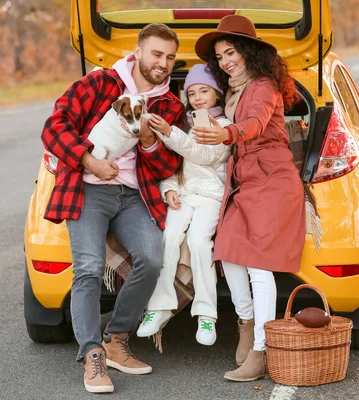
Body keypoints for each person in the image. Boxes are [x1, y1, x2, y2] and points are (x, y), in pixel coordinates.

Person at [40, 23, 184, 394]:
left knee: (153, 259)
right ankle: (92, 356)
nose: (163, 63)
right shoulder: (100, 84)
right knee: (87, 269)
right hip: (87, 190)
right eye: (156, 54)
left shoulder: (169, 105)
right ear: (138, 52)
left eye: (169, 57)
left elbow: (168, 167)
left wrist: (151, 141)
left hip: (134, 196)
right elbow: (53, 127)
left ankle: (116, 339)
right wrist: (88, 161)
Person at [192, 15, 306, 381]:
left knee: (258, 264)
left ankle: (262, 350)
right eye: (221, 56)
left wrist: (226, 133)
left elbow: (255, 124)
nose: (226, 61)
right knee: (226, 251)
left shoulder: (264, 86)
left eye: (232, 52)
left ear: (249, 52)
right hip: (244, 180)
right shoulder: (232, 89)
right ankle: (247, 321)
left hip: (271, 180)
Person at [135, 64, 232, 346]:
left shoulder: (223, 126)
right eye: (192, 92)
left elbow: (202, 156)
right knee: (167, 238)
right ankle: (159, 307)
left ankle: (206, 314)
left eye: (204, 90)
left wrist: (168, 133)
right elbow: (176, 167)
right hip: (186, 195)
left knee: (199, 242)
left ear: (217, 93)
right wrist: (169, 190)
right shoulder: (187, 124)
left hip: (211, 197)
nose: (198, 97)